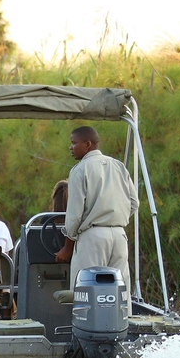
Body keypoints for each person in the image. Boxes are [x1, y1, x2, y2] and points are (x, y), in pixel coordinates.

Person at [58, 125, 139, 294]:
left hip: (92, 238)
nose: (70, 147)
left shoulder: (80, 170)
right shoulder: (118, 166)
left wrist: (67, 247)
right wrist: (114, 217)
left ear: (88, 144)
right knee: (119, 290)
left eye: (74, 143)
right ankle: (120, 320)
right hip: (119, 235)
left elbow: (74, 215)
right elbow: (134, 202)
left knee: (87, 290)